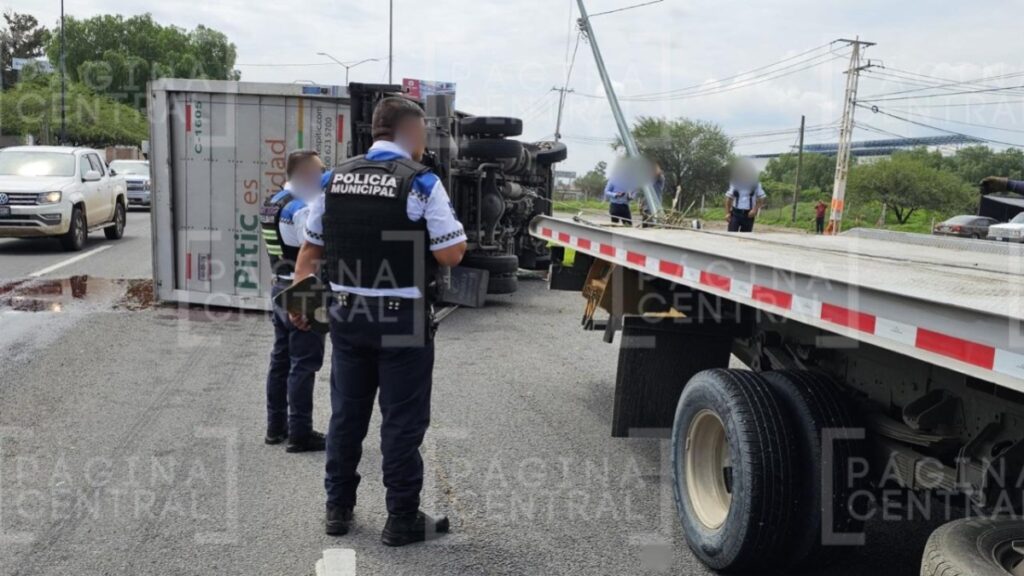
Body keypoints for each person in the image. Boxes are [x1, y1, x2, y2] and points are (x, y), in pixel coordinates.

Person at [292, 96, 466, 545]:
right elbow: (451, 253)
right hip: (401, 320)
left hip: (348, 315)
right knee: (402, 423)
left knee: (346, 416)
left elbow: (310, 252)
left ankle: (338, 509)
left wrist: (304, 309)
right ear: (412, 133)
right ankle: (401, 518)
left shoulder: (333, 179)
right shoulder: (422, 182)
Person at [260, 150, 328, 453]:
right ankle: (300, 432)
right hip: (301, 288)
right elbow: (310, 251)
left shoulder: (272, 202)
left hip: (279, 286)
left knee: (280, 361)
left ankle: (275, 428)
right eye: (320, 171)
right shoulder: (301, 208)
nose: (323, 176)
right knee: (304, 363)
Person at [725, 160, 766, 232]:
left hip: (749, 215)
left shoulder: (756, 184)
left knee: (746, 236)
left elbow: (762, 198)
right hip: (735, 214)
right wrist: (727, 213)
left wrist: (755, 209)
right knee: (731, 235)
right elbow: (729, 198)